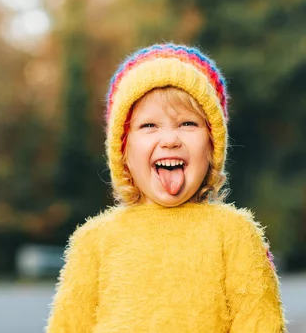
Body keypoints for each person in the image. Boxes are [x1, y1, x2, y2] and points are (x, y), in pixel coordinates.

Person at [45, 43, 286, 332]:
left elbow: (260, 324)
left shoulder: (235, 235)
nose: (170, 139)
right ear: (123, 150)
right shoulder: (93, 242)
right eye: (149, 126)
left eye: (187, 123)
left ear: (212, 146)